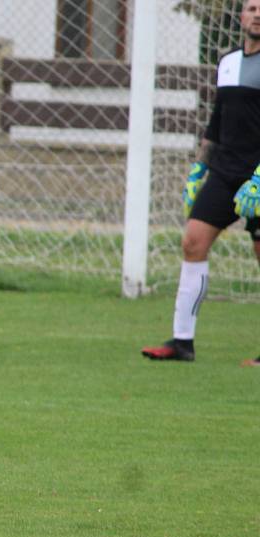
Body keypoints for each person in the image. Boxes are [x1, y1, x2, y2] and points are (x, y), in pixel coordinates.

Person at [141, 0, 260, 364]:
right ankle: (182, 342)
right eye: (252, 8)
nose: (257, 14)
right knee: (193, 242)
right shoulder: (227, 62)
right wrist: (198, 169)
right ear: (241, 17)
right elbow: (216, 122)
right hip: (224, 171)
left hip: (257, 175)